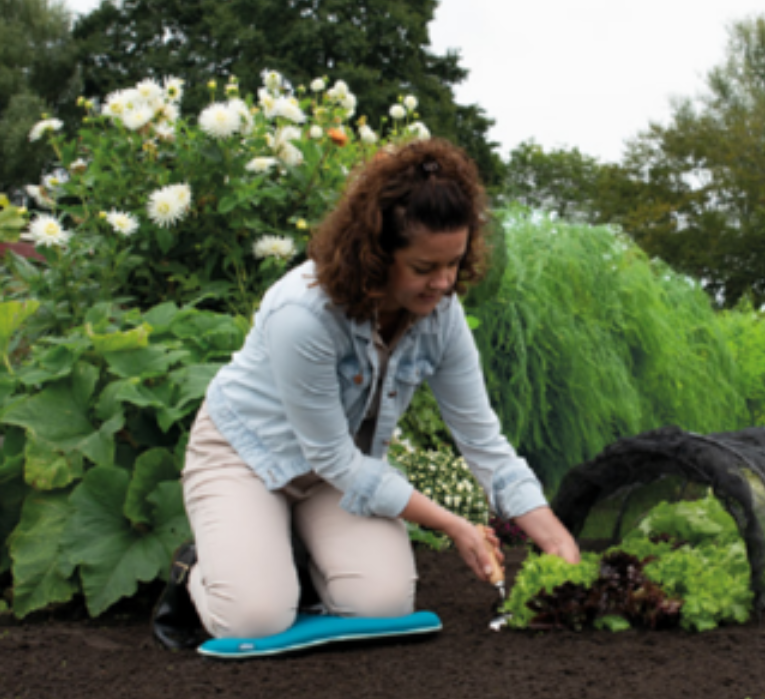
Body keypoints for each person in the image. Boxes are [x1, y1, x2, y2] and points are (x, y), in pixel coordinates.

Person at [152, 137, 580, 649]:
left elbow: (482, 440)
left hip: (338, 473)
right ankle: (199, 569)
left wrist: (556, 540)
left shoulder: (441, 316)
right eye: (424, 268)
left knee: (381, 604)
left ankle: (282, 557)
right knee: (253, 617)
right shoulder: (303, 314)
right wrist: (455, 525)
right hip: (247, 457)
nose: (444, 284)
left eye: (454, 263)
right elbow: (333, 457)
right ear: (376, 255)